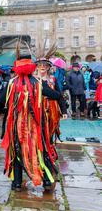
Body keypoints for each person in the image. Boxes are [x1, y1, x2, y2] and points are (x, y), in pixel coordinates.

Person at [0, 50, 62, 192]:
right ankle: (46, 181)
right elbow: (56, 95)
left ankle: (17, 183)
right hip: (35, 126)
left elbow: (0, 102)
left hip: (16, 127)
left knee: (17, 151)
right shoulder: (38, 83)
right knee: (39, 150)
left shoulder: (11, 83)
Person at [35, 46, 67, 188]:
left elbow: (59, 95)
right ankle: (38, 163)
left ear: (48, 67)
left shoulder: (53, 80)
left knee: (49, 138)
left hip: (52, 113)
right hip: (37, 113)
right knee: (38, 139)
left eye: (45, 65)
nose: (42, 67)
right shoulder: (33, 80)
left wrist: (64, 110)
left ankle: (48, 163)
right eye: (40, 65)